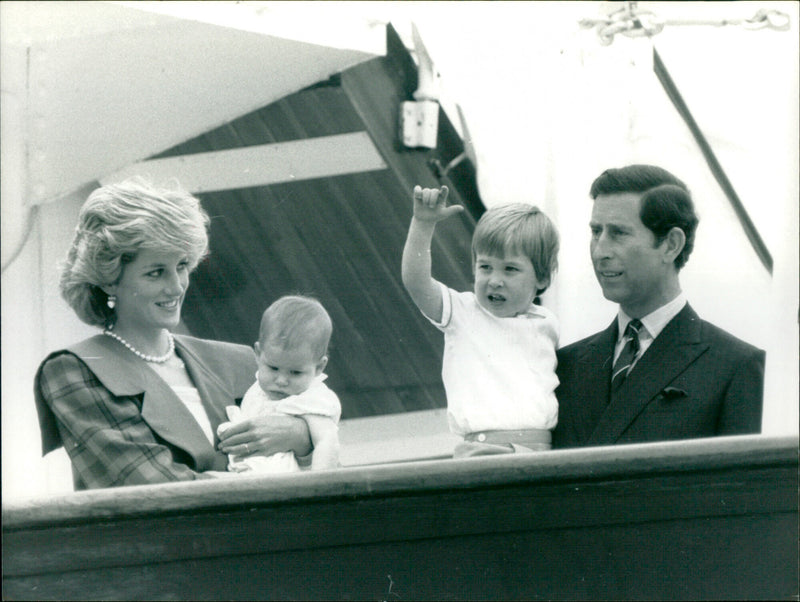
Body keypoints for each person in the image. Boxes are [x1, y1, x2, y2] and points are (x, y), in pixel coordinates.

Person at [34, 178, 313, 490]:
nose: (177, 286)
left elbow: (322, 468)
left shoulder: (241, 361)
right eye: (156, 272)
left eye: (181, 266)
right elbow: (146, 487)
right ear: (109, 280)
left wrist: (300, 436)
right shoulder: (75, 371)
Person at [552, 164, 765, 448]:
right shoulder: (563, 366)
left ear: (671, 244)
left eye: (618, 233)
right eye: (595, 232)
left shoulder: (735, 367)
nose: (600, 251)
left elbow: (743, 489)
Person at [402, 185, 560, 456]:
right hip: (483, 447)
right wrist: (423, 223)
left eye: (510, 269)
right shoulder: (463, 311)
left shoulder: (546, 321)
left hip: (540, 450)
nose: (495, 280)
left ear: (542, 278)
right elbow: (416, 283)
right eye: (485, 267)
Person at [219, 295, 341, 473]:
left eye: (296, 372)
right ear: (259, 354)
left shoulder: (312, 398)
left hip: (288, 483)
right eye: (273, 368)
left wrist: (320, 486)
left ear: (319, 367)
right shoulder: (258, 389)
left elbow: (327, 442)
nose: (281, 381)